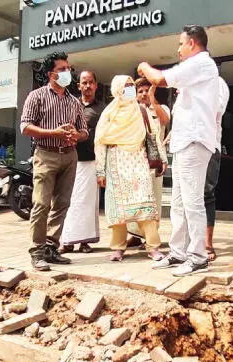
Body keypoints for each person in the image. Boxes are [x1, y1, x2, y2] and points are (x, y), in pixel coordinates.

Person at [138, 25, 220, 276]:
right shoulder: (197, 69)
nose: (178, 49)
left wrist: (144, 66)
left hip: (195, 142)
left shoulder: (201, 63)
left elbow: (159, 79)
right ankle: (178, 252)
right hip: (185, 141)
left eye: (181, 43)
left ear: (192, 43)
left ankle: (198, 256)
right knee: (178, 203)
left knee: (192, 202)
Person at [20, 52, 88, 272]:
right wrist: (54, 133)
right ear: (51, 74)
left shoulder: (74, 101)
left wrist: (76, 135)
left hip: (69, 155)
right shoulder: (36, 96)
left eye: (69, 68)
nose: (68, 72)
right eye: (62, 69)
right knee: (41, 204)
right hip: (45, 154)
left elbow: (84, 131)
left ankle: (51, 248)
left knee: (62, 204)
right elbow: (25, 127)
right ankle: (37, 251)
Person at [94, 76, 166, 262]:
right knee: (118, 210)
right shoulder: (109, 113)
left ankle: (153, 247)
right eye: (126, 86)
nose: (130, 89)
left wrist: (162, 159)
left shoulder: (141, 111)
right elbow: (100, 142)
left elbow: (154, 135)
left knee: (146, 205)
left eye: (131, 85)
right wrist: (100, 171)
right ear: (117, 89)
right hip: (116, 164)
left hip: (139, 162)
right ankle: (118, 248)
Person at [60, 70, 104, 254]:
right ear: (78, 86)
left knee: (87, 204)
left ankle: (84, 241)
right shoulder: (70, 105)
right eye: (84, 83)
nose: (87, 86)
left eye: (91, 82)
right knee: (69, 202)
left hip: (91, 161)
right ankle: (67, 241)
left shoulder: (102, 109)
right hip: (70, 159)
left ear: (96, 85)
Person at [126, 78, 170, 246]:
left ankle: (150, 237)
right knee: (136, 199)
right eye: (140, 91)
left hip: (155, 161)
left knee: (154, 199)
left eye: (147, 91)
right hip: (135, 161)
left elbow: (165, 120)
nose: (144, 94)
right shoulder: (131, 110)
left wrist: (152, 100)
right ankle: (136, 235)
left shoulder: (161, 108)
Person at [205, 76, 230, 262]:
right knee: (185, 198)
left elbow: (216, 110)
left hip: (208, 146)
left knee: (206, 194)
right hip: (186, 147)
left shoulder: (217, 83)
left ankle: (207, 243)